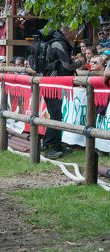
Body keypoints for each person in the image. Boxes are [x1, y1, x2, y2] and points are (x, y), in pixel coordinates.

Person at [41, 26, 82, 159]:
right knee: (56, 115)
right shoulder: (59, 43)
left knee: (56, 115)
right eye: (75, 31)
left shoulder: (56, 41)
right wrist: (79, 62)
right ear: (69, 31)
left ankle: (50, 145)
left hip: (49, 83)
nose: (76, 34)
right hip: (52, 84)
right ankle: (51, 147)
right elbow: (67, 66)